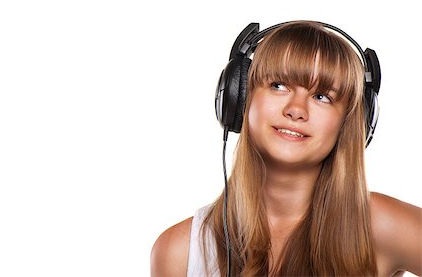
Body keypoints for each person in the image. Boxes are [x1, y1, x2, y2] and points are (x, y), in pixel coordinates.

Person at [150, 21, 422, 276]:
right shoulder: (179, 252)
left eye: (322, 97)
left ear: (350, 122)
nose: (296, 110)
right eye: (278, 85)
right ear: (240, 98)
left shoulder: (383, 226)